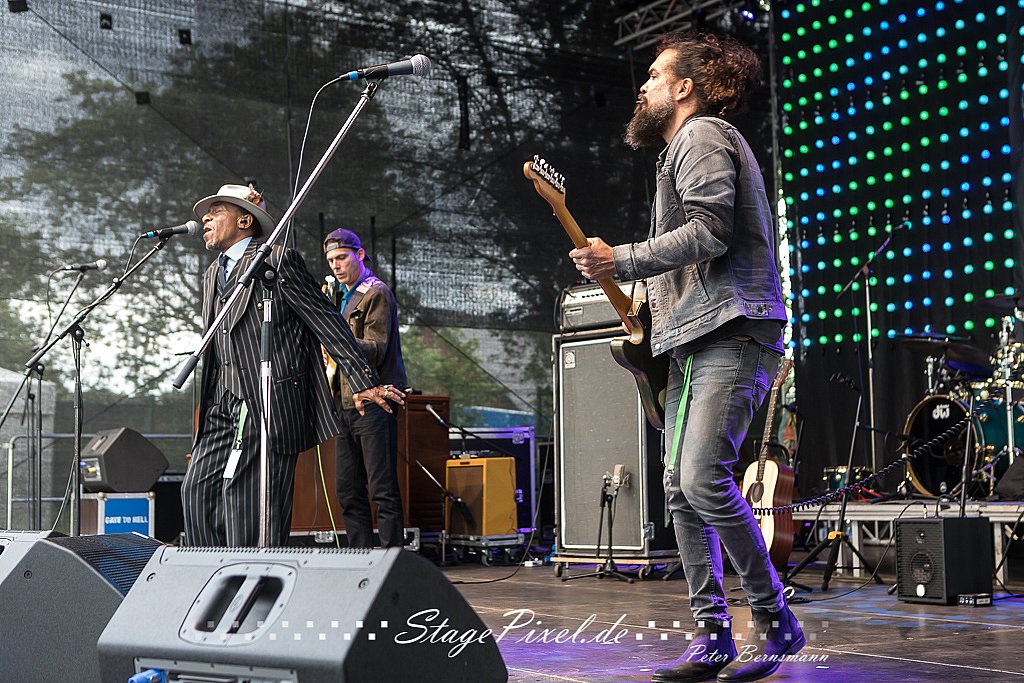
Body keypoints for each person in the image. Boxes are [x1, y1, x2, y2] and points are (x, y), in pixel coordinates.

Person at [569, 32, 804, 683]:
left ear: (684, 87)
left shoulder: (701, 135)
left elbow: (709, 230)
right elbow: (684, 261)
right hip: (692, 340)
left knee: (700, 477)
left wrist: (621, 258)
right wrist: (636, 298)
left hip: (732, 330)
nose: (642, 86)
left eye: (653, 75)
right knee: (679, 485)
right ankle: (712, 634)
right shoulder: (678, 151)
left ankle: (774, 617)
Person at [182, 183, 404, 548]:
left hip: (265, 398)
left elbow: (326, 321)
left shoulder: (276, 260)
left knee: (245, 496)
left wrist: (363, 380)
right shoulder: (211, 274)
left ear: (244, 220)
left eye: (216, 211)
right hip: (221, 401)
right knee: (197, 489)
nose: (205, 217)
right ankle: (208, 568)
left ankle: (248, 574)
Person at [322, 228, 408, 548]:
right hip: (344, 403)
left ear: (359, 255)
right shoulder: (339, 297)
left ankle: (391, 560)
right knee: (348, 491)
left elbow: (377, 348)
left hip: (374, 401)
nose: (336, 265)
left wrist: (334, 341)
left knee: (382, 488)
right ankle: (360, 559)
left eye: (342, 257)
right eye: (331, 260)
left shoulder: (375, 292)